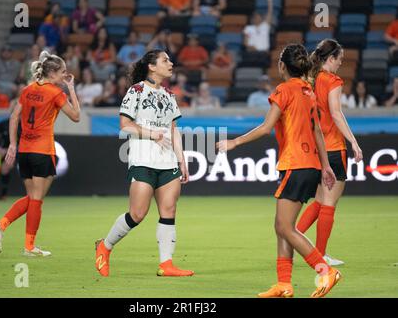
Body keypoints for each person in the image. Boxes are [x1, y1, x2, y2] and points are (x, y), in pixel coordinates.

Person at [217, 44, 341, 298]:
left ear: (281, 66)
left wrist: (234, 142)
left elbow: (265, 127)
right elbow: (318, 130)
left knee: (286, 228)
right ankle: (284, 285)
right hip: (310, 164)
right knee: (282, 225)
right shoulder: (308, 91)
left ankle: (325, 270)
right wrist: (326, 165)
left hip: (295, 163)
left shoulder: (284, 90)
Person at [94, 50, 193, 277]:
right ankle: (105, 246)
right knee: (137, 214)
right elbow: (125, 125)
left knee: (169, 210)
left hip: (168, 162)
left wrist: (182, 158)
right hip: (143, 160)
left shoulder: (169, 95)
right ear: (151, 66)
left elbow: (173, 130)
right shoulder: (136, 91)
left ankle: (166, 264)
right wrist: (151, 134)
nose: (171, 63)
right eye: (165, 60)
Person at [0, 51, 81, 256]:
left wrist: (13, 144)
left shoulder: (28, 89)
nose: (66, 75)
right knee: (37, 199)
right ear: (53, 73)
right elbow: (76, 116)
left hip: (24, 151)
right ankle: (27, 245)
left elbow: (13, 117)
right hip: (42, 150)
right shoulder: (56, 93)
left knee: (32, 197)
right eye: (63, 72)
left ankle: (3, 227)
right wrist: (71, 89)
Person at [296, 39, 363, 266]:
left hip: (315, 149)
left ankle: (293, 238)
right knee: (329, 202)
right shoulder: (332, 80)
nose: (340, 64)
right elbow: (336, 113)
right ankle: (320, 256)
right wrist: (353, 141)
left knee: (319, 199)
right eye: (339, 60)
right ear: (331, 58)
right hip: (333, 147)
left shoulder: (310, 80)